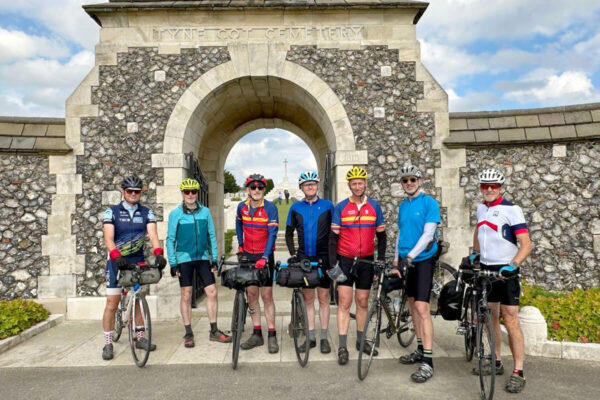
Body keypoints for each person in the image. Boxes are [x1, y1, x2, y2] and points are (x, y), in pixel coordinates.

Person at [471, 168, 532, 393]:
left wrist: (513, 265)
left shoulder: (512, 210)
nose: (488, 189)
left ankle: (518, 371)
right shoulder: (480, 208)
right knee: (490, 318)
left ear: (500, 187)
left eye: (493, 186)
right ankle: (496, 361)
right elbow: (479, 231)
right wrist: (475, 252)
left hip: (506, 271)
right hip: (486, 270)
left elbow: (526, 244)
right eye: (484, 186)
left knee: (511, 319)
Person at [101, 175, 167, 360]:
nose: (133, 194)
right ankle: (107, 343)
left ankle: (140, 338)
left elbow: (153, 235)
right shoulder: (112, 212)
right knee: (112, 304)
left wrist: (158, 253)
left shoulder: (147, 212)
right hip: (117, 260)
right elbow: (108, 238)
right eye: (129, 191)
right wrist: (116, 256)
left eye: (136, 191)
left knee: (140, 299)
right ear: (123, 192)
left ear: (140, 193)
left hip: (137, 260)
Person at [329, 166, 386, 365]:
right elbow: (332, 238)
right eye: (354, 183)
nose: (357, 186)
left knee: (362, 302)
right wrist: (332, 265)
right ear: (349, 186)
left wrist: (381, 260)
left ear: (365, 184)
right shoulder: (341, 207)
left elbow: (381, 235)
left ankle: (361, 340)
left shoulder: (374, 206)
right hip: (345, 261)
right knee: (344, 303)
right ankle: (342, 346)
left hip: (367, 261)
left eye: (360, 183)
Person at [166, 178, 231, 348]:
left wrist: (214, 259)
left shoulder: (205, 212)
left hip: (202, 258)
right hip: (184, 259)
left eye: (193, 191)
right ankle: (188, 332)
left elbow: (211, 236)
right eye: (186, 192)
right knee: (186, 294)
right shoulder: (175, 214)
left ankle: (214, 330)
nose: (190, 195)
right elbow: (170, 239)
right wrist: (173, 264)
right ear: (182, 193)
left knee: (212, 291)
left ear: (197, 193)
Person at [393, 165, 440, 383]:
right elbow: (401, 233)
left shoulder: (429, 203)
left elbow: (428, 234)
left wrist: (410, 256)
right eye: (405, 180)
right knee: (412, 305)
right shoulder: (403, 206)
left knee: (422, 308)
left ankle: (428, 361)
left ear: (419, 181)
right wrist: (396, 258)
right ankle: (420, 348)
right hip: (405, 259)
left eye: (413, 179)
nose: (409, 183)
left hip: (421, 260)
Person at [285, 171, 334, 354]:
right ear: (301, 188)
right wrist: (293, 253)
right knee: (308, 299)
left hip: (324, 259)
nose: (310, 187)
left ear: (317, 186)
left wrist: (332, 257)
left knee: (323, 298)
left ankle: (323, 337)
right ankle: (311, 336)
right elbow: (289, 232)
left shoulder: (328, 206)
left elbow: (335, 232)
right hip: (305, 258)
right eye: (307, 185)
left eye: (313, 184)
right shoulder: (296, 207)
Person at [236, 173, 280, 353]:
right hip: (248, 255)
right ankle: (256, 333)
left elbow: (272, 235)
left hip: (264, 256)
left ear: (264, 190)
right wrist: (240, 243)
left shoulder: (270, 208)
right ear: (248, 190)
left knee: (267, 296)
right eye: (253, 187)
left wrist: (265, 256)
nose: (256, 190)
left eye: (260, 187)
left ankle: (271, 334)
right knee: (251, 295)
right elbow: (239, 224)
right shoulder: (241, 207)